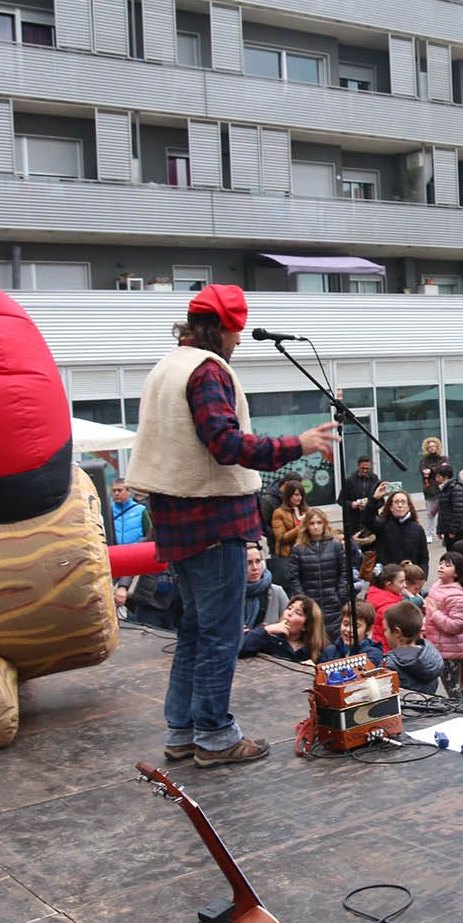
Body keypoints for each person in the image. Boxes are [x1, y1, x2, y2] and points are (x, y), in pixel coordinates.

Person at [127, 284, 340, 768]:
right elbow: (225, 444)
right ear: (221, 330)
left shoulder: (167, 365)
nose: (239, 342)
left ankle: (183, 732)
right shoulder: (206, 371)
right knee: (219, 635)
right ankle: (215, 735)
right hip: (212, 518)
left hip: (177, 519)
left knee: (195, 631)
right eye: (236, 332)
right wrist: (297, 445)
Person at [286, 508, 359, 638]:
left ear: (324, 524)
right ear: (306, 526)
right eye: (312, 523)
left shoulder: (335, 545)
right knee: (313, 638)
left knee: (336, 638)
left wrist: (340, 595)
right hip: (311, 602)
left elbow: (344, 571)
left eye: (319, 523)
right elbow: (294, 577)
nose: (315, 527)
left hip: (333, 601)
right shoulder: (298, 549)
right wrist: (303, 600)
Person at [424, 552, 463, 700]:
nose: (442, 566)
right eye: (441, 563)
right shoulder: (437, 585)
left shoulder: (456, 595)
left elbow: (458, 625)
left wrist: (435, 613)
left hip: (449, 650)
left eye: (448, 565)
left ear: (457, 573)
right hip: (435, 645)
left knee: (452, 687)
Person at [238, 595, 329, 663]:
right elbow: (238, 650)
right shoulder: (267, 636)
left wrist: (315, 670)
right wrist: (267, 630)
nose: (289, 613)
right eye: (289, 608)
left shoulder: (315, 649)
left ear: (305, 626)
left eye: (298, 613)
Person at [383, 601, 443, 694]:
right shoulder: (430, 657)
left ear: (397, 632)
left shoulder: (390, 664)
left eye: (386, 630)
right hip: (429, 706)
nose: (384, 634)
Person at [338, 455, 382, 535]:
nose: (365, 471)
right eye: (363, 468)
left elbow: (381, 502)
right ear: (358, 466)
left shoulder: (375, 480)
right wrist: (351, 504)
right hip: (354, 522)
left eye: (367, 468)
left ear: (371, 467)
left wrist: (370, 505)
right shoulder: (350, 481)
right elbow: (340, 500)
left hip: (371, 520)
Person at [332, 602, 385, 666]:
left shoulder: (373, 654)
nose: (348, 630)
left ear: (369, 630)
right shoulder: (330, 651)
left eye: (356, 626)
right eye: (345, 624)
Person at [432, 465, 463, 551]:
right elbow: (442, 512)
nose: (436, 479)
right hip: (448, 528)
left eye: (438, 476)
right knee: (450, 554)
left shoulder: (456, 488)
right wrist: (440, 529)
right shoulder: (443, 489)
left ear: (445, 476)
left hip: (458, 529)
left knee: (458, 555)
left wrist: (453, 530)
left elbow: (458, 511)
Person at [269, 479, 308, 559]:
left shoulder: (306, 511)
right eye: (296, 495)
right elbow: (281, 538)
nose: (299, 498)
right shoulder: (279, 513)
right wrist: (301, 527)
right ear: (288, 495)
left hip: (306, 553)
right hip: (287, 556)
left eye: (301, 495)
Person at [418, 436, 448, 532]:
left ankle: (442, 531)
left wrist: (431, 470)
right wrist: (437, 469)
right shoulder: (423, 461)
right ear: (427, 448)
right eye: (430, 446)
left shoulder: (443, 458)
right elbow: (424, 472)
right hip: (430, 489)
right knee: (430, 513)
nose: (432, 448)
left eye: (434, 446)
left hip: (442, 489)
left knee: (443, 512)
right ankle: (429, 533)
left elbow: (445, 470)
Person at [109, 479, 152, 545]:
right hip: (115, 553)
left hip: (137, 552)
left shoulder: (141, 510)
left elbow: (149, 534)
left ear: (129, 491)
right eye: (114, 491)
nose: (116, 493)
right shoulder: (109, 511)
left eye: (119, 490)